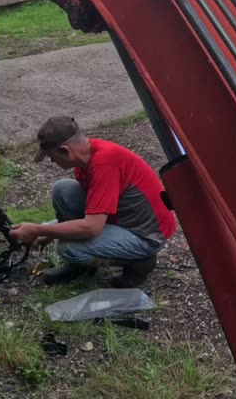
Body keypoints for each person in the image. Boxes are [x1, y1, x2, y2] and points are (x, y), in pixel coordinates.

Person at [9, 116, 177, 288]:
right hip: (120, 217)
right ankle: (78, 266)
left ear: (65, 150)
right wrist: (48, 232)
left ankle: (139, 262)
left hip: (144, 234)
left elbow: (91, 227)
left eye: (52, 157)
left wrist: (38, 229)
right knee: (63, 190)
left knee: (69, 247)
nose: (52, 162)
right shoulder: (87, 156)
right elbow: (93, 210)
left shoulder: (105, 164)